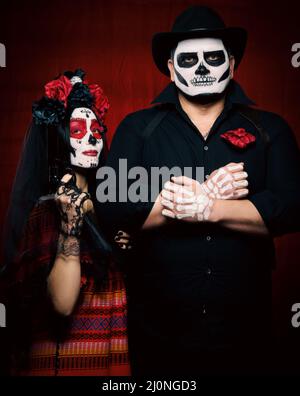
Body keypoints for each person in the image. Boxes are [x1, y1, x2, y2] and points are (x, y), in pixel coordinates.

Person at [96, 6, 300, 375]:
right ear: (172, 69)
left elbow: (292, 205)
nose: (202, 68)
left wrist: (210, 207)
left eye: (213, 57)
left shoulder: (271, 129)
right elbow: (112, 204)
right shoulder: (138, 129)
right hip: (158, 335)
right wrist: (181, 203)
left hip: (245, 336)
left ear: (232, 65)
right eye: (189, 59)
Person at [2, 69, 131, 376]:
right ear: (59, 138)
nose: (89, 136)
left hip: (111, 354)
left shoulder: (112, 208)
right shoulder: (46, 213)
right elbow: (61, 303)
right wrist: (70, 225)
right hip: (67, 362)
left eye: (95, 129)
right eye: (76, 129)